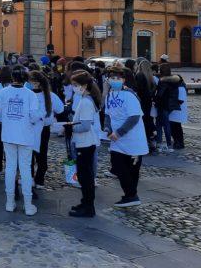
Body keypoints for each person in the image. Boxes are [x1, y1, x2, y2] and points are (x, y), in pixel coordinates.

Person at [0, 64, 43, 215]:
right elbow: (34, 117)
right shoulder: (31, 95)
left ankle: (10, 202)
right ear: (25, 79)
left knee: (10, 168)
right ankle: (28, 205)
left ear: (12, 77)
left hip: (9, 134)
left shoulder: (3, 92)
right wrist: (39, 115)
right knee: (25, 169)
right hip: (25, 135)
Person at [104, 66, 148, 207]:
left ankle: (131, 195)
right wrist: (108, 129)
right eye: (112, 78)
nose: (115, 80)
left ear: (123, 80)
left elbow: (134, 117)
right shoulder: (110, 95)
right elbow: (107, 115)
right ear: (108, 79)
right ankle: (131, 195)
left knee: (131, 169)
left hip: (132, 138)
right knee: (117, 165)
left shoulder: (129, 95)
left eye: (118, 78)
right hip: (117, 139)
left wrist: (119, 132)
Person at [66, 70, 102, 217]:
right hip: (84, 142)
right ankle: (85, 202)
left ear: (84, 85)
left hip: (86, 143)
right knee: (83, 175)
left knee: (85, 176)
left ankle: (88, 206)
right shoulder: (85, 99)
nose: (74, 88)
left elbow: (85, 126)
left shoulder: (86, 102)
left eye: (75, 85)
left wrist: (70, 127)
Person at [29, 70, 64, 190]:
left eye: (33, 81)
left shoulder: (49, 95)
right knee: (37, 154)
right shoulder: (32, 94)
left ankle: (36, 179)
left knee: (36, 154)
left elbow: (60, 109)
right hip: (35, 128)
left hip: (39, 128)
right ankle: (36, 179)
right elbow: (60, 109)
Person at [155, 63, 182, 152]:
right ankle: (169, 144)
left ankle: (160, 143)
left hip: (162, 104)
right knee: (166, 124)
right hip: (170, 105)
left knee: (159, 124)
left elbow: (160, 94)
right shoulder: (175, 81)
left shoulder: (163, 81)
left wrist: (154, 98)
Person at [134, 57, 157, 150]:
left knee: (143, 121)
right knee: (149, 120)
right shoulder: (151, 77)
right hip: (148, 101)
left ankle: (144, 141)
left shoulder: (139, 75)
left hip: (141, 101)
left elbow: (138, 89)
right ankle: (151, 140)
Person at [169, 72, 187, 149]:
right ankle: (178, 142)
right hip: (176, 111)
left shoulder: (180, 88)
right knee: (175, 128)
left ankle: (179, 142)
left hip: (176, 111)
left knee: (176, 128)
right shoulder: (179, 87)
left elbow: (180, 100)